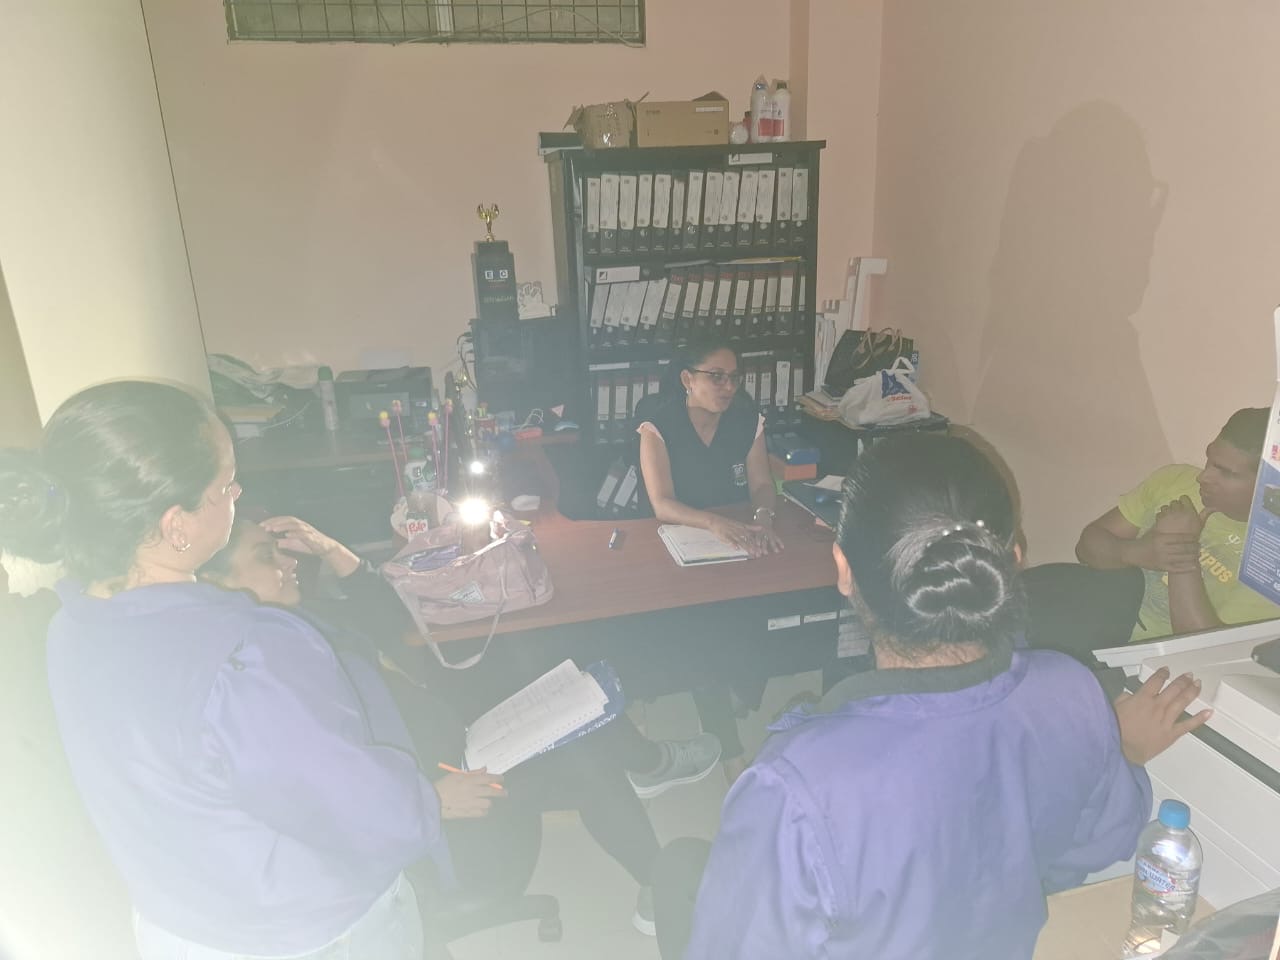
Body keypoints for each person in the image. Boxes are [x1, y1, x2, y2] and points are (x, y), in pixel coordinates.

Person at [652, 433, 1209, 960]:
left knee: (678, 869)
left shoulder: (795, 784)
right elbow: (1097, 845)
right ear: (1014, 560)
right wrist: (1116, 750)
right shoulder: (1072, 690)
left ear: (844, 569)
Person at [0, 380, 477, 959]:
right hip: (308, 934)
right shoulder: (247, 650)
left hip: (175, 928)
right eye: (226, 484)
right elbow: (346, 803)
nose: (238, 492)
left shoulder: (70, 626)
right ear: (176, 525)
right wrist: (427, 802)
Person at [197, 513, 714, 934]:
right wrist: (431, 798)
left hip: (451, 751)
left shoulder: (293, 619)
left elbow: (395, 624)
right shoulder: (262, 672)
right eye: (265, 557)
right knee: (589, 760)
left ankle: (650, 797)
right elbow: (324, 789)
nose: (288, 562)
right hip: (438, 820)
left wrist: (331, 549)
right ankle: (664, 877)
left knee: (562, 697)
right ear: (217, 583)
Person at [1073, 407, 1280, 644]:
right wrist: (1137, 552)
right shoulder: (1176, 480)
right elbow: (1085, 548)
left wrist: (1181, 554)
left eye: (1226, 473)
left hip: (1146, 656)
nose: (1203, 477)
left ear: (1271, 485)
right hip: (1089, 620)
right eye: (1210, 459)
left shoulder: (1271, 556)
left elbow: (1209, 648)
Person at [638, 334, 782, 558]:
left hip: (740, 530)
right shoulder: (657, 428)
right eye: (717, 377)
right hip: (681, 536)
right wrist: (713, 523)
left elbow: (762, 484)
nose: (729, 387)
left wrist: (763, 518)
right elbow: (662, 503)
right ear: (688, 380)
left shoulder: (748, 421)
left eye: (734, 377)